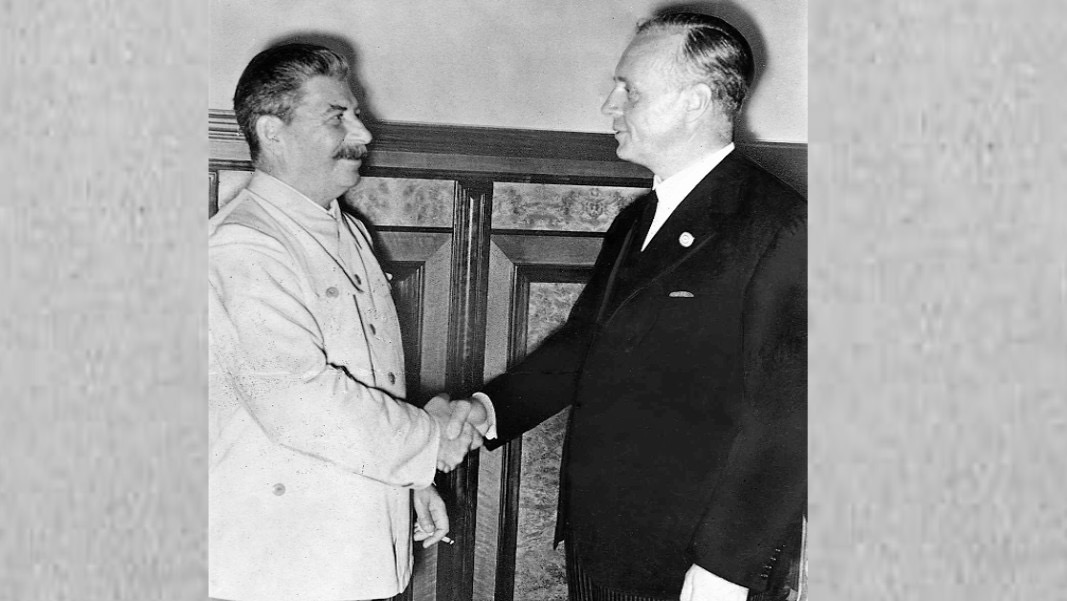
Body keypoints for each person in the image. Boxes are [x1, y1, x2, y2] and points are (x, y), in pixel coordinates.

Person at [447, 12, 806, 601]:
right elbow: (585, 346)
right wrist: (488, 410)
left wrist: (725, 571)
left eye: (629, 90)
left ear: (695, 102)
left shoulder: (782, 225)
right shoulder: (635, 221)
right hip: (605, 543)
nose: (608, 104)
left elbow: (788, 421)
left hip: (695, 566)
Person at [208, 43, 483, 601]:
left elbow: (369, 378)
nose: (363, 133)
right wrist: (428, 442)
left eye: (356, 114)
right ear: (272, 132)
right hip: (279, 562)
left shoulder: (347, 230)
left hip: (350, 544)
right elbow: (301, 401)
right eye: (337, 117)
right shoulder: (244, 245)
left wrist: (410, 481)